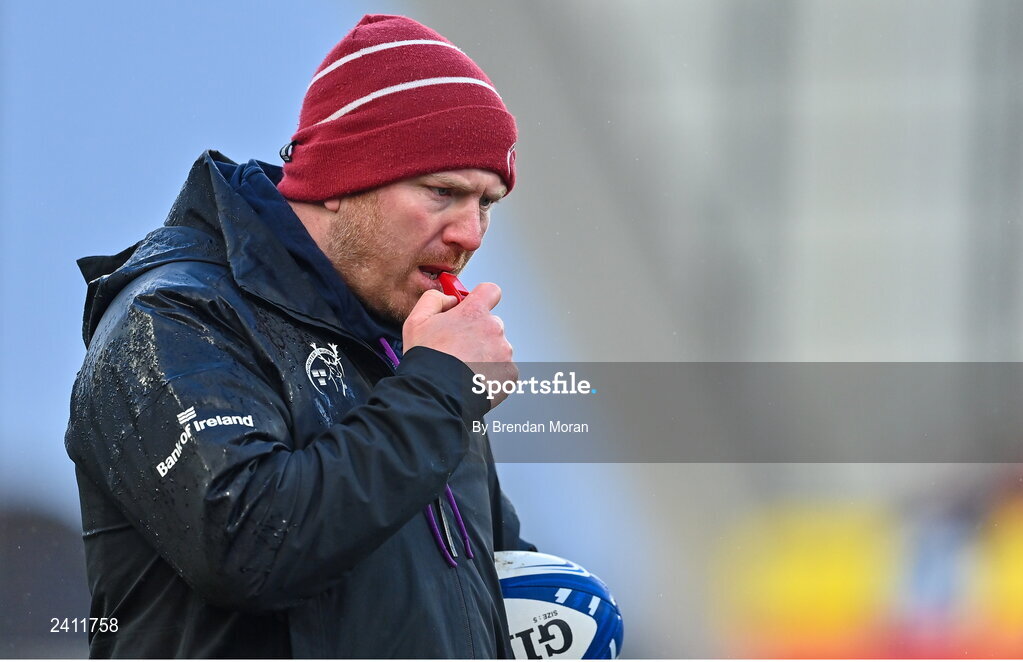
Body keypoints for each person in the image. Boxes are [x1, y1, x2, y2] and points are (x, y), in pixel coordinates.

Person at [65, 14, 533, 658]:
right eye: (442, 191)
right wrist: (439, 390)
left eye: (487, 202)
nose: (471, 233)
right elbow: (250, 544)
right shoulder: (173, 320)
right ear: (342, 179)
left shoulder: (412, 348)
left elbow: (463, 585)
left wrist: (555, 606)